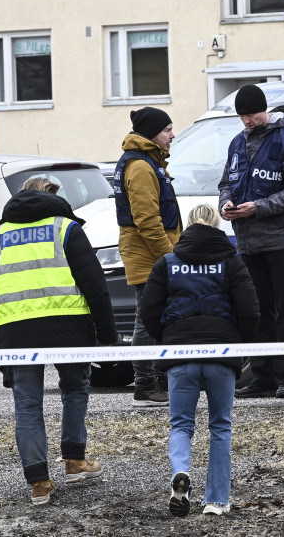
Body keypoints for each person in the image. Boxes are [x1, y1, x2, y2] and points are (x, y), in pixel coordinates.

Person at [0, 177, 118, 505]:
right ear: (53, 199)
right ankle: (75, 462)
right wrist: (108, 335)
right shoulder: (66, 228)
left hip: (15, 332)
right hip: (69, 327)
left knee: (27, 405)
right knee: (75, 389)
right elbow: (95, 284)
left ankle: (39, 483)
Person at [138, 203, 260, 517]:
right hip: (221, 353)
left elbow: (148, 312)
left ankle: (182, 475)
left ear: (187, 227)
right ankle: (216, 501)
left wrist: (167, 337)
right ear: (217, 226)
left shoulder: (167, 263)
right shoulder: (232, 262)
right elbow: (250, 311)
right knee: (220, 427)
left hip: (181, 354)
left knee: (181, 425)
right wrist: (238, 342)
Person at [218, 84, 284, 399]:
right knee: (257, 314)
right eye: (242, 116)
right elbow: (226, 183)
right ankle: (263, 377)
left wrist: (258, 208)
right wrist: (226, 204)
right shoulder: (237, 143)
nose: (246, 121)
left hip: (283, 243)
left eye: (251, 115)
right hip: (249, 245)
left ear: (265, 111)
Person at [114, 106, 182, 406]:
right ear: (153, 133)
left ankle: (157, 381)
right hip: (149, 256)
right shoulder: (141, 166)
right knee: (146, 320)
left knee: (157, 318)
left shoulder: (147, 161)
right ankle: (144, 385)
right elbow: (148, 221)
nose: (172, 134)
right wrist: (170, 257)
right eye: (167, 129)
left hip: (151, 254)